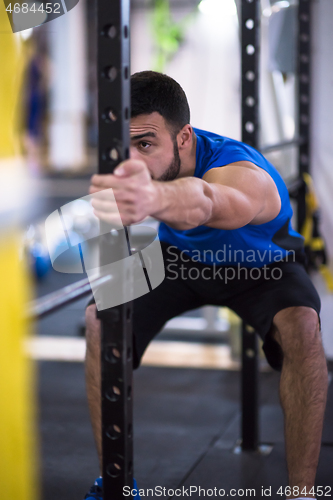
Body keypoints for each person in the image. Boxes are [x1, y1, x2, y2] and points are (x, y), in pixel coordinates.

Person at [84, 71, 328, 500]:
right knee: (99, 318)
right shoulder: (142, 164)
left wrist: (153, 199)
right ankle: (116, 484)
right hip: (181, 259)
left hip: (259, 264)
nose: (134, 160)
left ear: (184, 137)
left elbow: (209, 202)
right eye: (128, 145)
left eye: (146, 145)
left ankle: (302, 494)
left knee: (303, 328)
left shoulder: (242, 171)